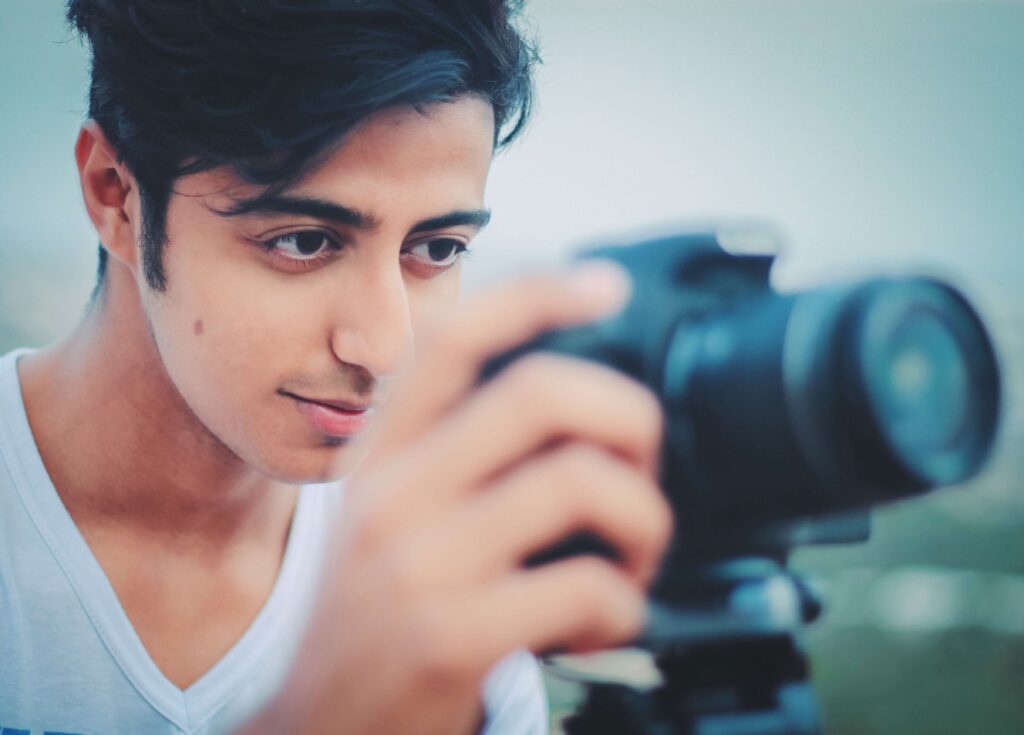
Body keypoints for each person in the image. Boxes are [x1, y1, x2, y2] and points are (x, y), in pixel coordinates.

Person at [0, 1, 672, 733]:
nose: (386, 349)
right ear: (116, 197)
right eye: (302, 241)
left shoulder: (434, 573)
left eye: (438, 249)